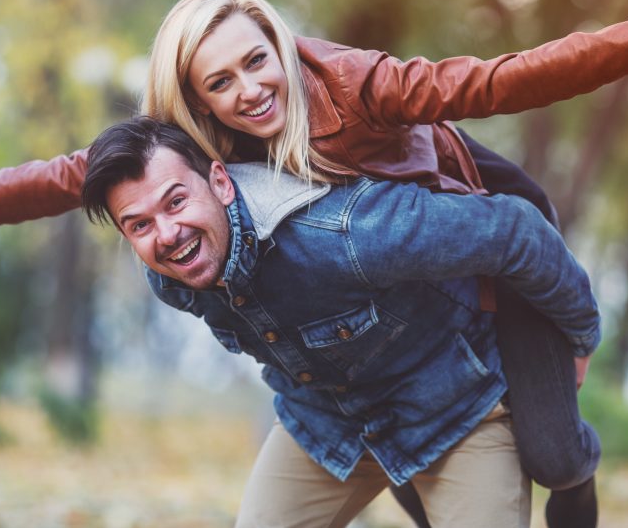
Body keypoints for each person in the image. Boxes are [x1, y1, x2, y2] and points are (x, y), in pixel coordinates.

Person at [0, 0, 628, 527]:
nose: (249, 90)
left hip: (476, 250)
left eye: (256, 60)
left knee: (551, 449)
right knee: (399, 458)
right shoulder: (184, 161)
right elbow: (56, 177)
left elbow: (499, 81)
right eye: (219, 82)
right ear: (195, 102)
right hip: (365, 348)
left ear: (278, 43)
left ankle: (577, 479)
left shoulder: (361, 87)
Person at [82, 115, 600, 526]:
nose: (167, 233)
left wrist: (580, 338)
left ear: (220, 181)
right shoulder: (171, 275)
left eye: (176, 202)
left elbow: (513, 231)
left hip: (456, 410)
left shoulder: (348, 232)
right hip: (327, 419)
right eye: (139, 225)